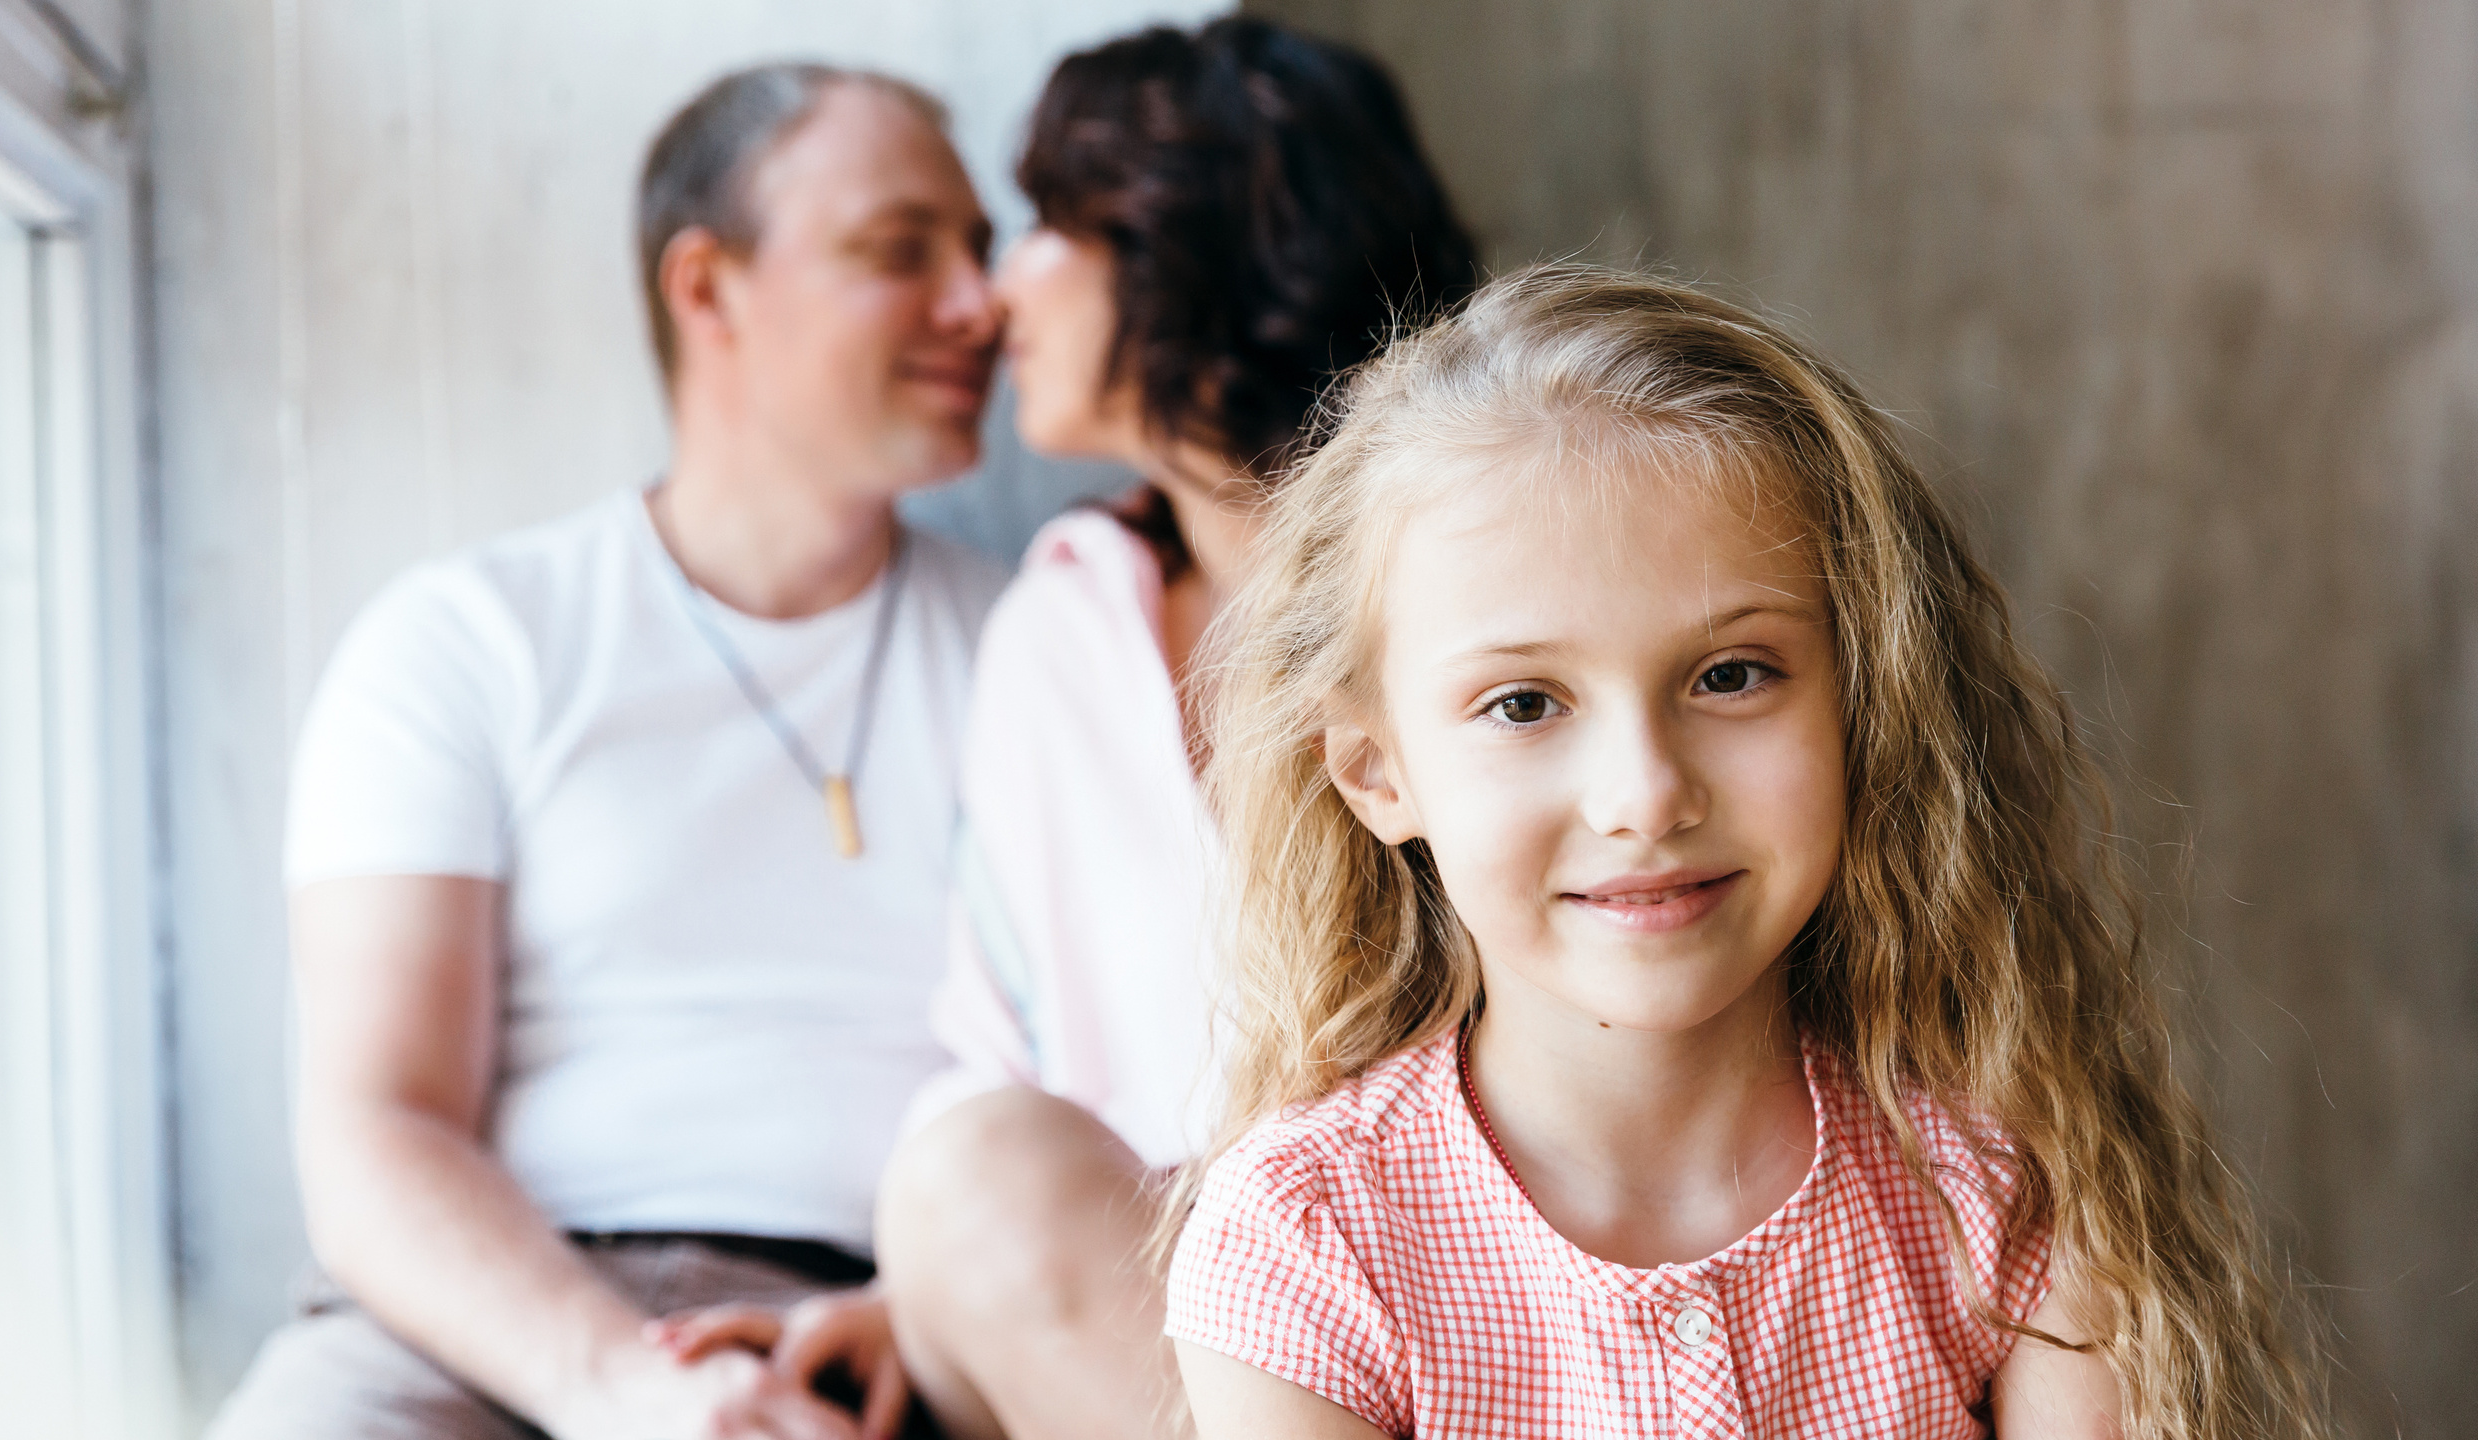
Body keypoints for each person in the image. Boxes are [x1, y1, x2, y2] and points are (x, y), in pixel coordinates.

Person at [1162, 265, 2331, 1438]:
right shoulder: (1305, 1245)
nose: (1646, 795)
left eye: (1730, 675)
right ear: (1376, 771)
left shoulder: (2007, 1190)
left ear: (1863, 706)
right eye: (1523, 703)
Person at [648, 18, 1474, 1440]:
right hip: (1184, 1312)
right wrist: (944, 1297)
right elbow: (1011, 1057)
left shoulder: (1476, 583)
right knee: (963, 1174)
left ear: (1181, 247)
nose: (986, 299)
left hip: (1469, 1277)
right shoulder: (1062, 624)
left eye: (1039, 227)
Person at [207, 63, 1005, 1440]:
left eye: (980, 251)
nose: (979, 306)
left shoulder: (1041, 643)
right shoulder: (468, 641)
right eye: (900, 251)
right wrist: (618, 1383)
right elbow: (375, 1127)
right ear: (707, 289)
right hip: (487, 1321)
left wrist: (917, 1316)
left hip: (895, 1336)